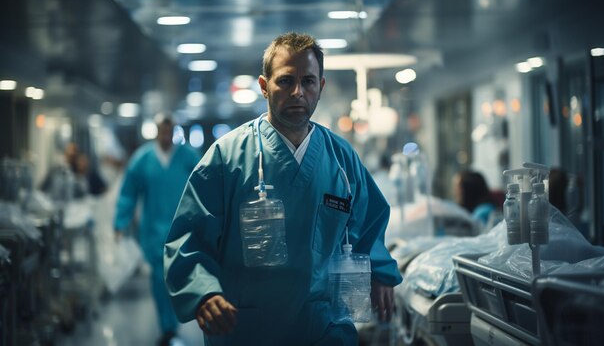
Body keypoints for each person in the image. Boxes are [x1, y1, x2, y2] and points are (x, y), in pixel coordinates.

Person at [164, 32, 402, 345]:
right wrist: (203, 293)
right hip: (246, 327)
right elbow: (189, 237)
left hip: (324, 326)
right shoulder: (227, 157)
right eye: (286, 81)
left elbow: (368, 222)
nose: (298, 93)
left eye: (308, 81)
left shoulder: (342, 160)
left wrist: (381, 271)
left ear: (321, 86)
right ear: (264, 86)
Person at [113, 115, 201, 346]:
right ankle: (168, 327)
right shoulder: (142, 160)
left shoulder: (188, 157)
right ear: (156, 132)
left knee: (179, 277)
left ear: (174, 132)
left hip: (183, 229)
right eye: (162, 131)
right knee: (159, 280)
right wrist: (120, 223)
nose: (166, 136)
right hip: (153, 232)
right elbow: (128, 192)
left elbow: (205, 185)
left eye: (169, 131)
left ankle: (173, 323)